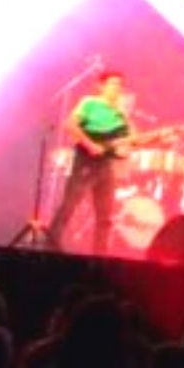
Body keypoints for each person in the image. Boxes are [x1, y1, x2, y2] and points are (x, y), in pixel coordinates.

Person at [46, 70, 134, 254]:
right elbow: (70, 124)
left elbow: (130, 139)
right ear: (100, 86)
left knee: (105, 215)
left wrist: (158, 138)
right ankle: (50, 247)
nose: (117, 88)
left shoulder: (119, 112)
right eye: (113, 84)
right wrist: (90, 144)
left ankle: (100, 256)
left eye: (120, 85)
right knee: (69, 205)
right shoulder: (89, 103)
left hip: (106, 165)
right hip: (86, 161)